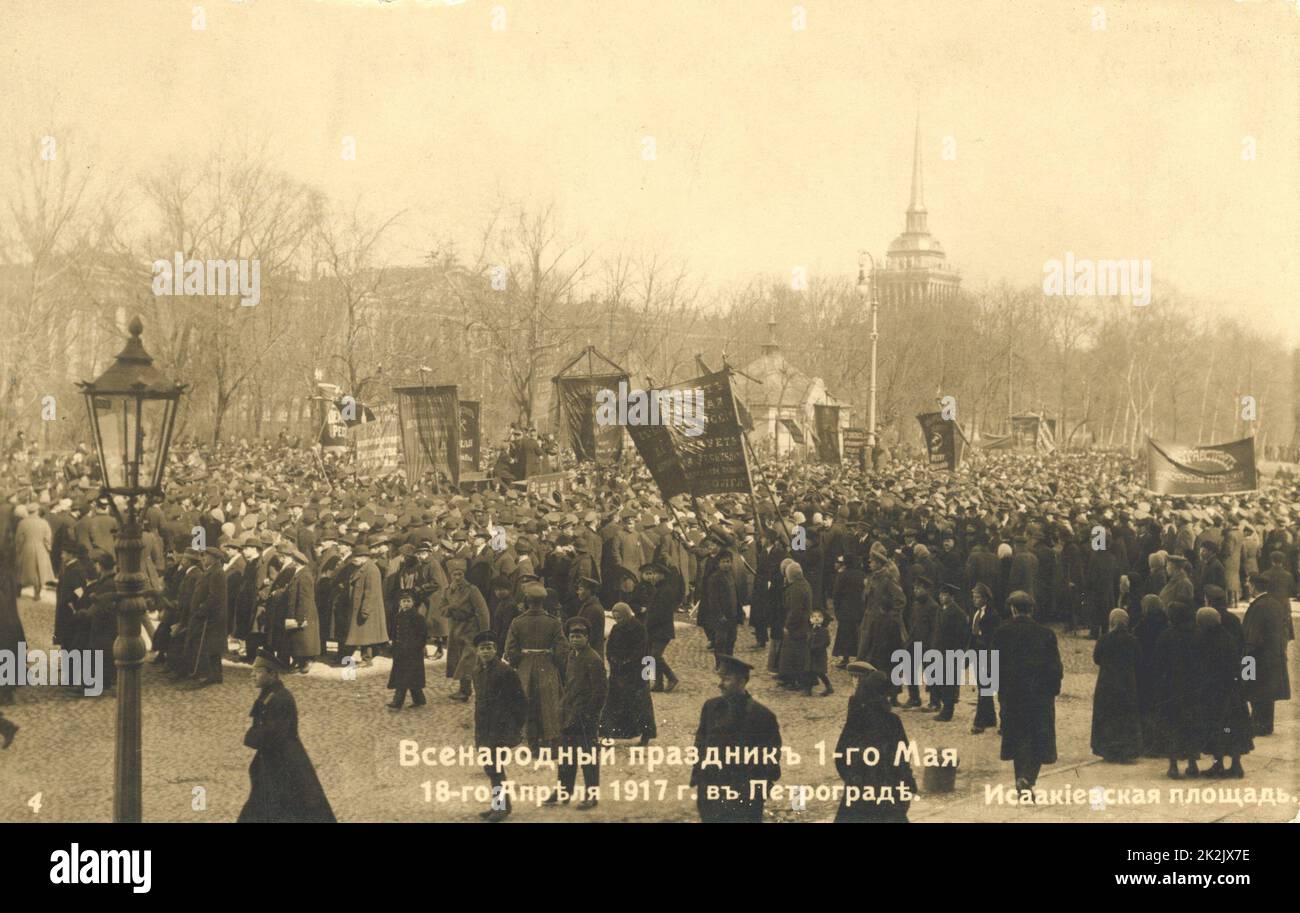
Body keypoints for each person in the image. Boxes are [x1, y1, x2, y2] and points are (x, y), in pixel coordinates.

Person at [237, 651, 335, 823]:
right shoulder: (269, 694)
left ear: (272, 674)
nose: (253, 676)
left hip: (284, 761)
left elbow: (274, 734)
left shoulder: (280, 698)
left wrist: (252, 737)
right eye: (253, 671)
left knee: (293, 805)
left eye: (258, 672)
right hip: (274, 760)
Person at [690, 654, 782, 823]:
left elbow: (771, 759)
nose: (720, 684)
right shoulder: (710, 707)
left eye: (726, 679)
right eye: (720, 678)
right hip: (712, 792)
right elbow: (700, 743)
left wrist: (759, 791)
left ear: (742, 682)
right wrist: (699, 778)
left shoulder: (762, 716)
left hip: (744, 798)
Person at [990, 590, 1063, 796]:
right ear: (1031, 610)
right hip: (1040, 697)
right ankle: (1028, 778)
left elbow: (991, 666)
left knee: (1018, 738)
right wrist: (1053, 690)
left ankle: (1020, 779)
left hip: (1012, 696)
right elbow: (1056, 668)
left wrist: (997, 690)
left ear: (1012, 609)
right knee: (1039, 738)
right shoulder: (1046, 634)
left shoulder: (1001, 632)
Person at [834, 662, 916, 822]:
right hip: (887, 791)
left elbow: (840, 755)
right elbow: (902, 757)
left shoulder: (857, 718)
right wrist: (907, 783)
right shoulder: (892, 721)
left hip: (858, 791)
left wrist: (853, 778)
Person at [547, 617, 607, 809]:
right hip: (569, 713)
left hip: (585, 717)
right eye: (572, 636)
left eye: (579, 636)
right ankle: (564, 791)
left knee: (588, 757)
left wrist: (590, 715)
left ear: (587, 637)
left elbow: (600, 692)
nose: (575, 639)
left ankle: (592, 795)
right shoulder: (572, 656)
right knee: (566, 755)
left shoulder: (593, 659)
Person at [503, 581, 566, 752]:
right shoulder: (554, 622)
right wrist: (556, 662)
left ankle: (532, 740)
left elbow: (510, 649)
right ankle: (551, 740)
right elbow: (562, 649)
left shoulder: (518, 622)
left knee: (527, 701)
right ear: (543, 601)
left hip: (525, 665)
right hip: (547, 664)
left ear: (527, 601)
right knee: (549, 702)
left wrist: (518, 661)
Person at [471, 630, 527, 822]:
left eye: (489, 648)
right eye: (482, 648)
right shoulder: (477, 672)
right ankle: (501, 805)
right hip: (484, 728)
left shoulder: (506, 672)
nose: (486, 651)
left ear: (495, 650)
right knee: (490, 767)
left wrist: (515, 727)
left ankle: (501, 808)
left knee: (494, 767)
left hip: (500, 727)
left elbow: (520, 701)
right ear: (477, 651)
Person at [1194, 606, 1252, 778]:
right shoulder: (1227, 637)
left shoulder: (1209, 640)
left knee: (1218, 729)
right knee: (1233, 730)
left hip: (1218, 694)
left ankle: (1218, 764)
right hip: (1234, 693)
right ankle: (1236, 765)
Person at [1154, 601, 1201, 779]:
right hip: (1193, 688)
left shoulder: (1166, 636)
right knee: (1191, 725)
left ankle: (1173, 764)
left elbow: (1158, 663)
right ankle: (1192, 762)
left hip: (1171, 688)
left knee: (1172, 725)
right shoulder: (1197, 634)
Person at [600, 602, 656, 745]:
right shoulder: (616, 628)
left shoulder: (639, 628)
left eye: (619, 617)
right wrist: (612, 660)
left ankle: (646, 734)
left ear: (626, 615)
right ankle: (609, 735)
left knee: (640, 704)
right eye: (615, 618)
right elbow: (610, 647)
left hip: (636, 673)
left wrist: (627, 662)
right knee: (612, 704)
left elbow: (641, 651)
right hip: (617, 672)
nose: (618, 620)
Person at [1242, 572, 1291, 737]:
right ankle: (1266, 725)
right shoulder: (1274, 603)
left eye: (1249, 583)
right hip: (1273, 656)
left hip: (1258, 657)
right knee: (1267, 693)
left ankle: (1259, 725)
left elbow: (1253, 636)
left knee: (1255, 691)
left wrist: (1246, 657)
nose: (1247, 586)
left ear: (1255, 586)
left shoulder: (1259, 606)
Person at [1090, 608, 1141, 763]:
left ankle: (1108, 749)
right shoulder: (1133, 640)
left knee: (1107, 715)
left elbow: (1096, 658)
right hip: (1127, 682)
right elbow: (1138, 659)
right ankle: (1126, 750)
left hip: (1107, 682)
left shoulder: (1104, 639)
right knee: (1125, 715)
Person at [440, 557, 490, 701]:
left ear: (464, 575)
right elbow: (442, 608)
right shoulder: (448, 591)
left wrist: (485, 633)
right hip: (455, 629)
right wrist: (450, 608)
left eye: (460, 574)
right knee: (460, 660)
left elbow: (482, 611)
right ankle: (464, 690)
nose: (457, 577)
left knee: (469, 661)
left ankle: (479, 690)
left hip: (471, 628)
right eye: (454, 574)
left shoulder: (472, 590)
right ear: (450, 575)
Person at [932, 582, 969, 721]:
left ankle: (947, 711)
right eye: (941, 594)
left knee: (949, 683)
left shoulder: (958, 613)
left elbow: (962, 636)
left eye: (945, 594)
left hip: (950, 652)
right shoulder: (941, 610)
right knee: (941, 681)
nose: (942, 597)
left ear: (952, 597)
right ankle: (944, 707)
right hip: (939, 651)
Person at [641, 562, 679, 693]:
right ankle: (654, 683)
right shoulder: (657, 589)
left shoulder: (666, 591)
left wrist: (648, 624)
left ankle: (671, 677)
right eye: (652, 573)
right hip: (653, 629)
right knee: (648, 655)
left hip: (662, 630)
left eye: (656, 574)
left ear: (663, 576)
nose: (653, 576)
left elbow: (661, 613)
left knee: (655, 655)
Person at [388, 590, 428, 709]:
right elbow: (394, 633)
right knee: (411, 677)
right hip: (400, 652)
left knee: (403, 677)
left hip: (413, 653)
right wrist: (393, 645)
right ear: (400, 603)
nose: (406, 603)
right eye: (403, 601)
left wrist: (416, 648)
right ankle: (419, 700)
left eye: (408, 601)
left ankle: (397, 701)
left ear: (413, 603)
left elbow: (423, 635)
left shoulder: (418, 617)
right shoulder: (398, 616)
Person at [968, 583, 999, 733]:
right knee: (983, 686)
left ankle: (980, 721)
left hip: (987, 654)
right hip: (978, 653)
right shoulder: (977, 612)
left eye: (977, 597)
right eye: (973, 597)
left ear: (985, 598)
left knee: (985, 687)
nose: (974, 599)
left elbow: (992, 638)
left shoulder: (992, 615)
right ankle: (990, 718)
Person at [778, 560, 813, 692]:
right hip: (804, 624)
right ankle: (794, 679)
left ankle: (796, 680)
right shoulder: (804, 584)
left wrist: (788, 625)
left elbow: (794, 610)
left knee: (794, 654)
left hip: (798, 626)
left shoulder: (795, 589)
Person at [808, 609, 833, 696]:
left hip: (820, 655)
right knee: (810, 671)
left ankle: (829, 686)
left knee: (820, 672)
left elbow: (826, 642)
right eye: (814, 617)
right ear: (810, 619)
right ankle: (808, 689)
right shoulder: (810, 630)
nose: (816, 618)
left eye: (819, 617)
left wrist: (816, 647)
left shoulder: (823, 630)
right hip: (811, 655)